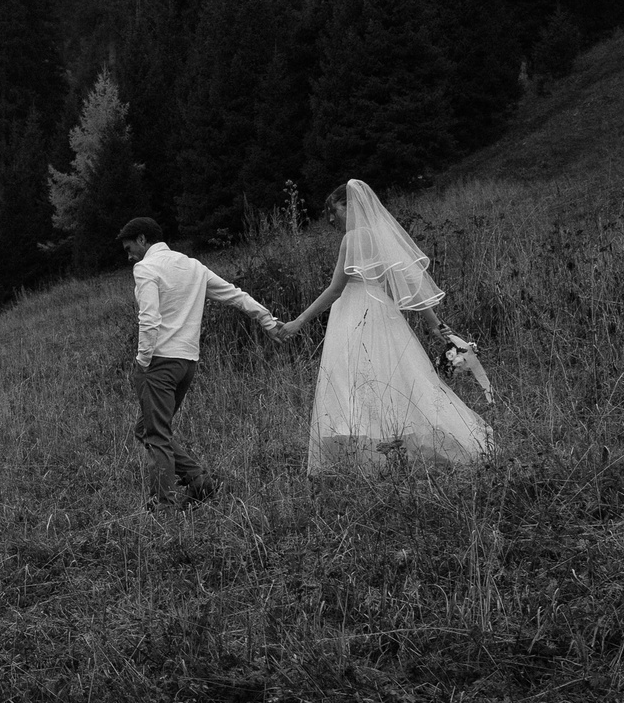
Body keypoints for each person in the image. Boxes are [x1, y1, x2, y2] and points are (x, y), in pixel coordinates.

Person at [277, 180, 491, 473]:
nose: (330, 218)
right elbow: (404, 285)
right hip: (383, 314)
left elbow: (335, 289)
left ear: (351, 206)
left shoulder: (353, 238)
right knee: (396, 379)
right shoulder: (380, 236)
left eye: (334, 209)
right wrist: (434, 324)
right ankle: (393, 448)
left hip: (355, 315)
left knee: (354, 381)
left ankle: (370, 455)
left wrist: (299, 321)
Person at [118, 217, 283, 504]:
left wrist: (143, 360)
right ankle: (198, 481)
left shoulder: (146, 268)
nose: (129, 254)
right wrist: (268, 322)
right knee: (147, 429)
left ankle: (164, 506)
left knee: (155, 434)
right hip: (187, 364)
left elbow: (149, 317)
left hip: (158, 362)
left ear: (143, 239)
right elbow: (235, 295)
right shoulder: (194, 266)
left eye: (129, 246)